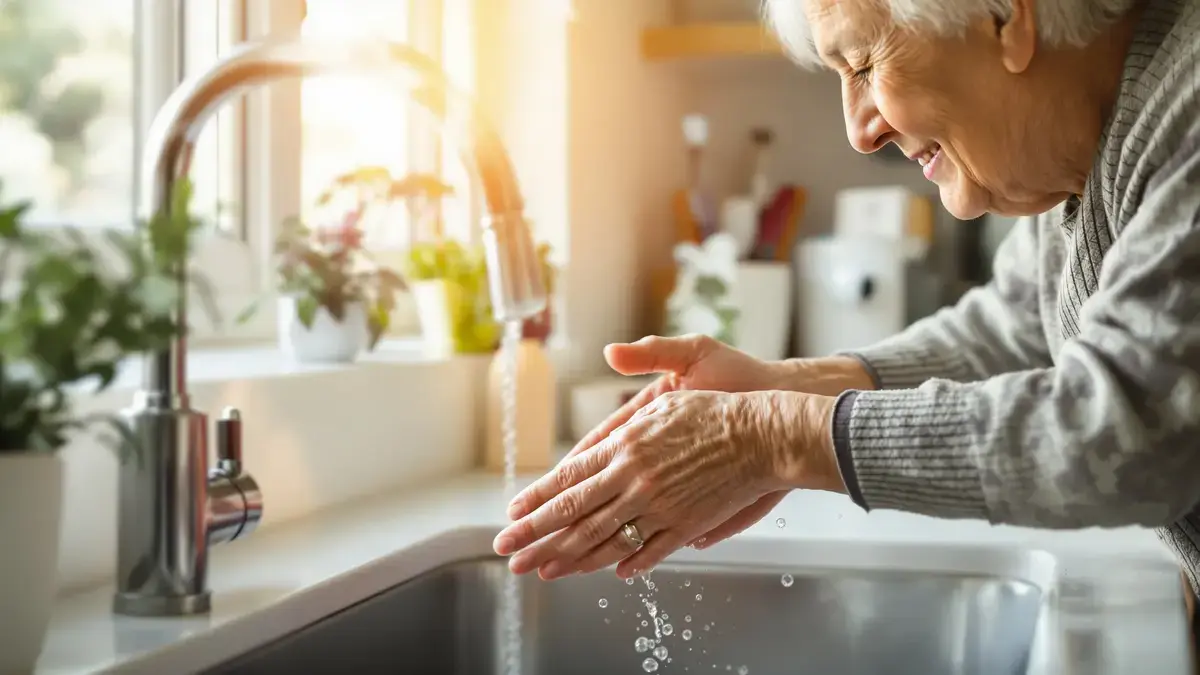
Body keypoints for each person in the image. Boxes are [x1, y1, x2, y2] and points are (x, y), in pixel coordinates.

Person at [492, 0, 1200, 624]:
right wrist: (788, 388)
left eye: (863, 64)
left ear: (1008, 17)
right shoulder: (1087, 145)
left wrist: (768, 438)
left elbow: (1130, 430)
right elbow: (1012, 328)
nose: (859, 132)